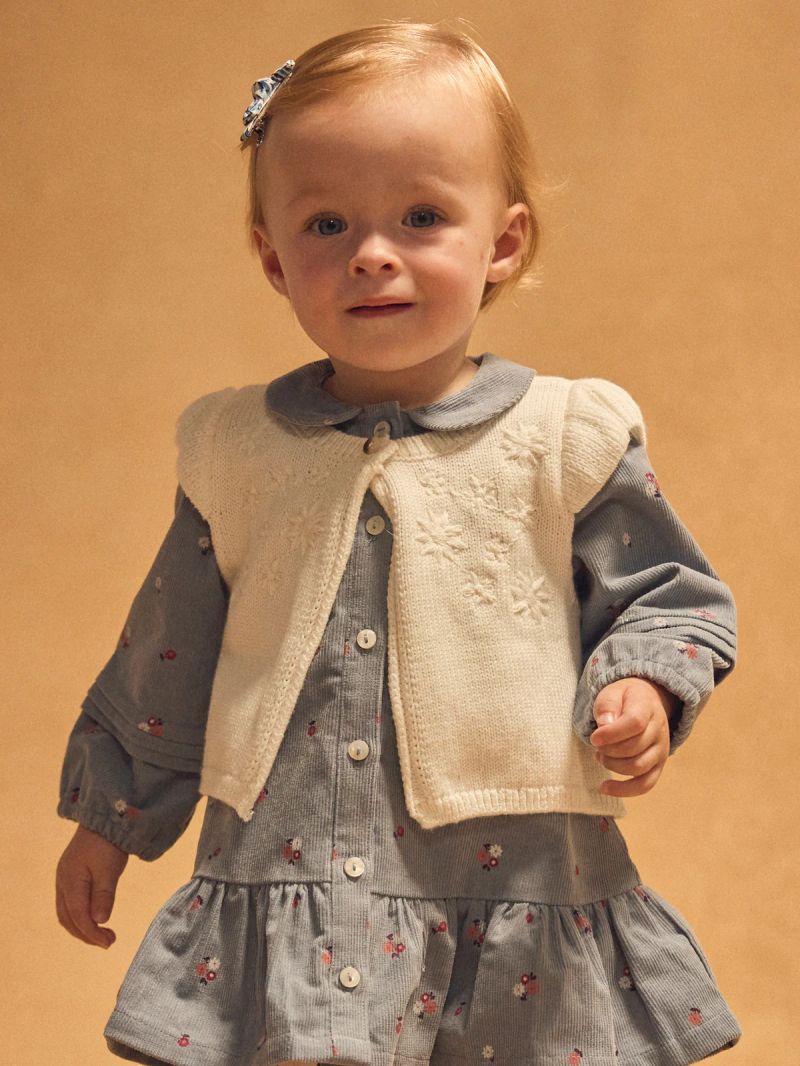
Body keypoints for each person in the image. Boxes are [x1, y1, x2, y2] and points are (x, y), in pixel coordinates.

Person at [55, 21, 742, 1066]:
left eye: (421, 217)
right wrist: (110, 817)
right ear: (273, 258)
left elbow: (666, 593)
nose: (372, 253)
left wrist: (642, 685)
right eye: (326, 223)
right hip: (283, 866)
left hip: (515, 883)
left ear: (502, 243)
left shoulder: (565, 438)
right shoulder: (236, 453)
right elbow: (168, 655)